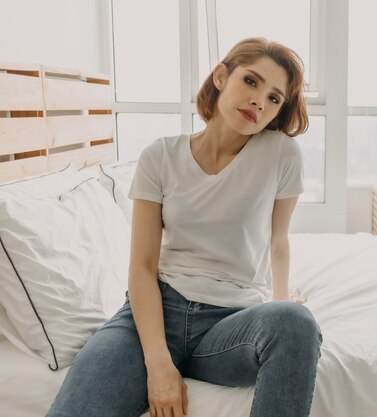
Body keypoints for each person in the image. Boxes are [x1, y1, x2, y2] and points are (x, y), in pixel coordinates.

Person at [46, 37, 323, 417]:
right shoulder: (160, 155)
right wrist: (159, 365)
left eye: (275, 98)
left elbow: (278, 242)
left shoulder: (281, 154)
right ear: (221, 76)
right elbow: (141, 267)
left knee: (295, 322)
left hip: (230, 326)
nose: (260, 101)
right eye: (252, 81)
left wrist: (281, 299)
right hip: (157, 312)